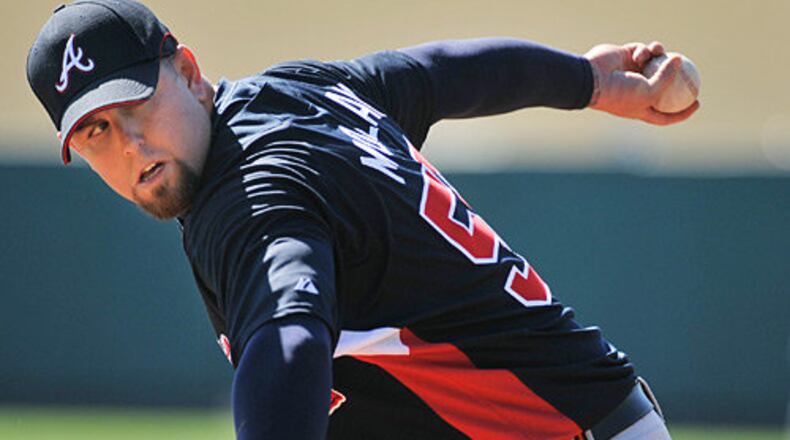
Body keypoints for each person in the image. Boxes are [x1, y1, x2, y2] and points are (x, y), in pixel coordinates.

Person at [27, 1, 698, 439]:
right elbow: (442, 74)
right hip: (591, 413)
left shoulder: (254, 200)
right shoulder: (300, 92)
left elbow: (287, 335)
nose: (130, 148)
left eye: (138, 105)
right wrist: (589, 80)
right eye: (95, 134)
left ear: (189, 72)